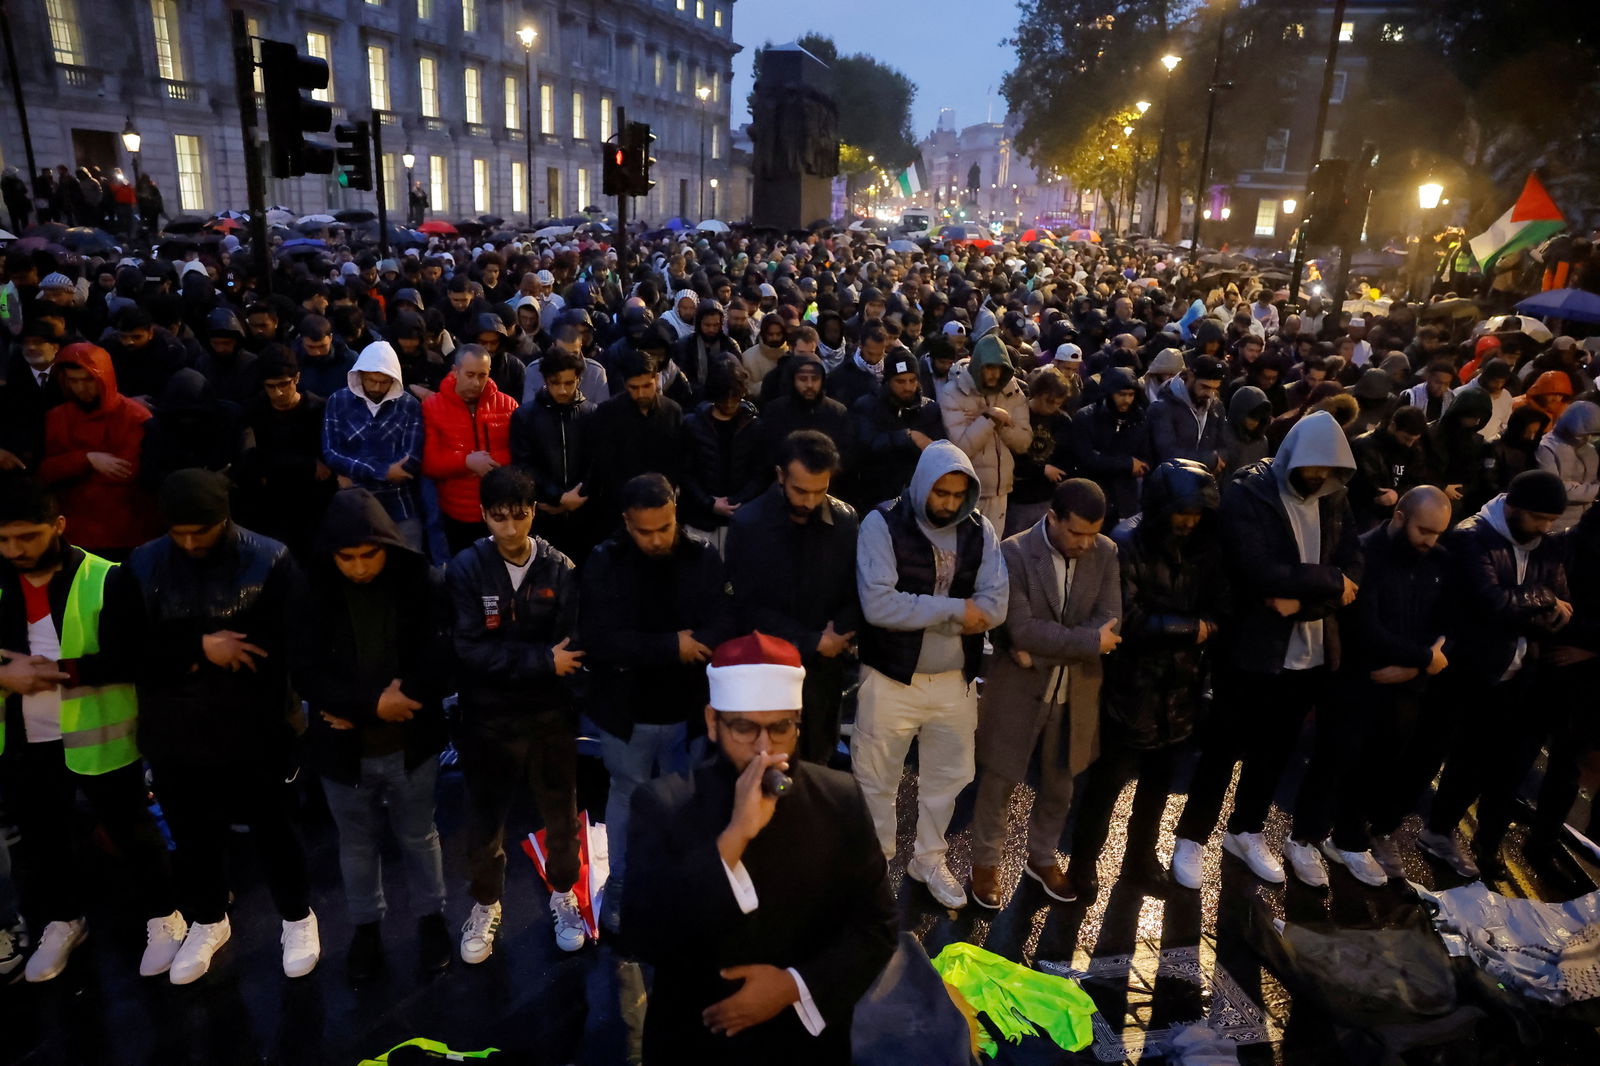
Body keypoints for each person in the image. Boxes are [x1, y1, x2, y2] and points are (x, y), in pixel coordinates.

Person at [622, 632, 896, 1064]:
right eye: (745, 727)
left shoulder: (839, 798)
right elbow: (645, 936)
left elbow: (877, 927)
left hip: (806, 1037)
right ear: (713, 722)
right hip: (699, 1037)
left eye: (781, 727)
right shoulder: (664, 806)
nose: (765, 748)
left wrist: (794, 986)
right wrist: (734, 837)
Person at [104, 469, 317, 983]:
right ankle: (208, 919)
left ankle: (297, 917)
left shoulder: (269, 559)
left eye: (201, 530)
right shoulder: (140, 565)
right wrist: (200, 648)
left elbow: (295, 642)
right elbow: (119, 651)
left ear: (225, 518)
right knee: (192, 835)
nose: (191, 542)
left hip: (256, 724)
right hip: (175, 727)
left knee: (275, 830)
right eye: (179, 533)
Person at [0, 479, 184, 983]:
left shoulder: (107, 578)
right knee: (41, 837)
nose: (15, 550)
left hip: (102, 734)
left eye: (27, 537)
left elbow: (140, 655)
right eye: (4, 540)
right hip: (22, 737)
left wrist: (60, 673)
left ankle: (164, 917)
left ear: (59, 526)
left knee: (129, 826)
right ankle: (63, 921)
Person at [1169, 412, 1362, 888]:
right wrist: (1333, 585)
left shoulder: (1336, 497)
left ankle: (1246, 829)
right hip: (1253, 646)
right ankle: (1192, 837)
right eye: (1312, 470)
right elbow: (1260, 570)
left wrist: (1305, 598)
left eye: (1327, 472)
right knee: (1223, 747)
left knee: (1275, 751)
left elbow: (1354, 563)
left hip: (1310, 651)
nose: (1318, 479)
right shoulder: (1249, 491)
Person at [293, 489, 452, 980]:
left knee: (419, 836)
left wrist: (360, 709)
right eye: (348, 557)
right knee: (357, 844)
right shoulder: (312, 590)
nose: (360, 567)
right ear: (331, 554)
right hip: (346, 749)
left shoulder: (420, 581)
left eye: (369, 554)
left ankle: (431, 919)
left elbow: (441, 659)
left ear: (387, 545)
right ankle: (365, 928)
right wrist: (373, 707)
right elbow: (306, 672)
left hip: (410, 743)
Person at [853, 441, 1007, 908]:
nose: (949, 504)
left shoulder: (981, 531)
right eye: (941, 493)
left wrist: (921, 610)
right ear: (923, 484)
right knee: (876, 779)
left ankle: (928, 859)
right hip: (890, 678)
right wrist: (958, 610)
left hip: (954, 681)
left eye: (959, 494)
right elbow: (878, 604)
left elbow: (996, 606)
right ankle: (875, 868)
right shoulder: (882, 523)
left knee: (949, 778)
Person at [1064, 461, 1227, 899]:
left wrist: (1201, 630)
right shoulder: (1125, 543)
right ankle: (1083, 862)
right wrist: (1192, 629)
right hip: (1131, 685)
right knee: (1105, 785)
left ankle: (1140, 859)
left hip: (1182, 687)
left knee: (1158, 785)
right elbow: (1126, 619)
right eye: (1182, 513)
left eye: (1197, 513)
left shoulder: (1205, 545)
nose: (1189, 522)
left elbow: (1221, 604)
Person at [580, 473, 735, 927]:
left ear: (676, 514)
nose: (656, 539)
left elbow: (726, 617)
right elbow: (599, 639)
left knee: (682, 803)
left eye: (664, 528)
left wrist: (696, 642)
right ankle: (622, 887)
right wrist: (673, 647)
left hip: (686, 709)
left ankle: (676, 885)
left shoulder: (702, 557)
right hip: (626, 711)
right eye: (644, 531)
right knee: (626, 798)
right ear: (627, 523)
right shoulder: (604, 562)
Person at [447, 467, 588, 960]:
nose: (510, 529)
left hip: (550, 718)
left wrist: (544, 666)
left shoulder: (560, 568)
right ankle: (486, 904)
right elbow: (468, 649)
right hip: (489, 721)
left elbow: (573, 651)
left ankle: (564, 893)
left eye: (521, 516)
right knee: (485, 825)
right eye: (499, 518)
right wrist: (541, 661)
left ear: (534, 512)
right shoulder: (465, 568)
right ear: (483, 514)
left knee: (562, 820)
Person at [968, 479, 1121, 908]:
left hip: (1075, 693)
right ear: (1052, 518)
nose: (1086, 544)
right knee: (999, 782)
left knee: (1060, 785)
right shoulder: (1014, 551)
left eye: (1094, 533)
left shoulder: (1107, 552)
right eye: (1076, 533)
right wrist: (1086, 644)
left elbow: (1111, 620)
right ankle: (984, 865)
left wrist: (1039, 650)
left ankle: (1042, 857)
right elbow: (1022, 628)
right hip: (1016, 692)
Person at [1296, 486, 1452, 883]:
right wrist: (1422, 659)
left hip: (1405, 688)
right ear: (1399, 516)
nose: (1429, 542)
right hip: (1356, 680)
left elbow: (1447, 625)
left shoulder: (1439, 560)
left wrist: (1414, 669)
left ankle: (1349, 839)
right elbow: (1363, 627)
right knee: (1334, 761)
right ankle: (1304, 838)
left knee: (1379, 767)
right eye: (1424, 531)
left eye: (1437, 534)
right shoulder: (1364, 553)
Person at [1420, 470, 1571, 880]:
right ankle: (1402, 830)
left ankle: (1460, 836)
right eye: (1538, 519)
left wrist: (1542, 609)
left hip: (1518, 671)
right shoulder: (1473, 537)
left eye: (1551, 521)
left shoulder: (1547, 545)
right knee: (1441, 756)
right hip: (1468, 669)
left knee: (1491, 764)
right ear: (1513, 508)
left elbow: (1559, 605)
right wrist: (1541, 601)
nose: (1546, 528)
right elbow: (1491, 603)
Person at [725, 431, 861, 765]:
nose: (810, 502)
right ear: (780, 475)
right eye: (800, 491)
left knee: (817, 767)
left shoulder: (844, 520)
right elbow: (746, 608)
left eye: (820, 491)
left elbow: (858, 590)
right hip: (767, 670)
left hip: (823, 673)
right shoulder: (749, 525)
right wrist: (812, 640)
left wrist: (837, 635)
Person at [38, 342, 158, 559]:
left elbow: (126, 472)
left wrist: (70, 465)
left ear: (104, 378)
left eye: (88, 380)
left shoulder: (135, 417)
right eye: (73, 381)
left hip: (126, 533)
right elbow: (46, 472)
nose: (81, 388)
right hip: (74, 533)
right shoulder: (56, 417)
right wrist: (87, 459)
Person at [322, 340, 426, 551]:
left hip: (398, 504)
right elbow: (331, 453)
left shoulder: (408, 405)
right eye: (372, 380)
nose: (377, 387)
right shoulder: (338, 401)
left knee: (410, 561)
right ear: (360, 375)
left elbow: (409, 460)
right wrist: (383, 471)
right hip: (353, 503)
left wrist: (354, 469)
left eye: (384, 382)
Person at [234, 345, 335, 560]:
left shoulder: (318, 410)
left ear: (296, 378)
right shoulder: (253, 410)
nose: (278, 392)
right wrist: (306, 465)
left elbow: (327, 466)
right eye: (271, 386)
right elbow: (250, 459)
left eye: (283, 384)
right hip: (269, 508)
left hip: (312, 508)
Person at [421, 345, 518, 555]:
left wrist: (491, 462)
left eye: (482, 375)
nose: (476, 383)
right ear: (455, 371)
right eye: (470, 375)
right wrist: (466, 461)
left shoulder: (507, 405)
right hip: (457, 512)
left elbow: (521, 453)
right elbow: (430, 462)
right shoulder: (433, 407)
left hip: (499, 510)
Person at [510, 348, 597, 563]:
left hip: (584, 515)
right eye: (555, 383)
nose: (562, 390)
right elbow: (524, 466)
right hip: (543, 516)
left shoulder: (592, 414)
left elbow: (596, 463)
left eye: (569, 383)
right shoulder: (526, 416)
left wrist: (577, 497)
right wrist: (557, 497)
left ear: (578, 379)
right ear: (545, 380)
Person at [939, 333, 1032, 530]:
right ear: (978, 365)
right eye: (990, 368)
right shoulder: (953, 392)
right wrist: (988, 419)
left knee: (992, 550)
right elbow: (960, 448)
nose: (995, 375)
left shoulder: (1012, 391)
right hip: (966, 490)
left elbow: (1024, 442)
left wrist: (1000, 422)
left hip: (1001, 490)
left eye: (1000, 369)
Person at [585, 350, 685, 524]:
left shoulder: (672, 412)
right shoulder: (608, 413)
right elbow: (605, 466)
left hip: (662, 504)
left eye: (647, 386)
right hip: (620, 509)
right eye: (634, 387)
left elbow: (677, 461)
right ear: (625, 384)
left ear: (656, 379)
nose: (641, 394)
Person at [679, 359, 767, 552]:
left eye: (734, 396)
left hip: (740, 518)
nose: (728, 402)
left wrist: (735, 501)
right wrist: (709, 503)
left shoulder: (755, 427)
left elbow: (760, 473)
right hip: (700, 520)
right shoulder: (693, 425)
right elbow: (685, 472)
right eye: (723, 396)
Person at [850, 351, 946, 515]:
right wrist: (906, 436)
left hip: (918, 500)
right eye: (900, 381)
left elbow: (940, 452)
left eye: (912, 380)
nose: (908, 387)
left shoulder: (929, 409)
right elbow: (864, 447)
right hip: (876, 499)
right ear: (888, 381)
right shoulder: (867, 406)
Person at [1006, 365, 1078, 538]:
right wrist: (1041, 470)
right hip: (1019, 497)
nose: (1052, 407)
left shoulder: (1062, 421)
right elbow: (1012, 455)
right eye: (1048, 401)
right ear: (1037, 393)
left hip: (1047, 496)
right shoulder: (1020, 415)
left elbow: (1067, 454)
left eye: (1058, 403)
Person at [1071, 366, 1149, 526]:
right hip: (1094, 496)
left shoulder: (1138, 418)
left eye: (1131, 395)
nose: (1127, 400)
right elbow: (1086, 459)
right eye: (1121, 394)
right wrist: (1127, 464)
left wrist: (1139, 465)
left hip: (1127, 499)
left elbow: (1145, 456)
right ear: (1109, 393)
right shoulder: (1086, 418)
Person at [1348, 405, 1427, 530]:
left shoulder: (1414, 449)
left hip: (1399, 510)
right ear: (1393, 426)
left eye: (1414, 440)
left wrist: (1398, 494)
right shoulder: (1364, 446)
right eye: (1406, 438)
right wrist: (1381, 497)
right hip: (1367, 514)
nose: (1409, 444)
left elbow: (1418, 480)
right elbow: (1363, 488)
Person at [1147, 355, 1228, 474]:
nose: (1209, 394)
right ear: (1189, 377)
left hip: (1205, 484)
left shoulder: (1216, 406)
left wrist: (1219, 458)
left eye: (1214, 389)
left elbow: (1224, 445)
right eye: (1204, 387)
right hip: (1170, 485)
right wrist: (1210, 460)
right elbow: (1168, 454)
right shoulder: (1162, 408)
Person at [1535, 400, 1600, 533]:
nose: (1587, 438)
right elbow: (1554, 489)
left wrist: (1579, 488)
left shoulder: (1590, 450)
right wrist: (1594, 491)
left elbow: (1594, 482)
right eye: (1584, 433)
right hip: (1556, 525)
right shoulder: (1546, 447)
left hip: (1585, 523)